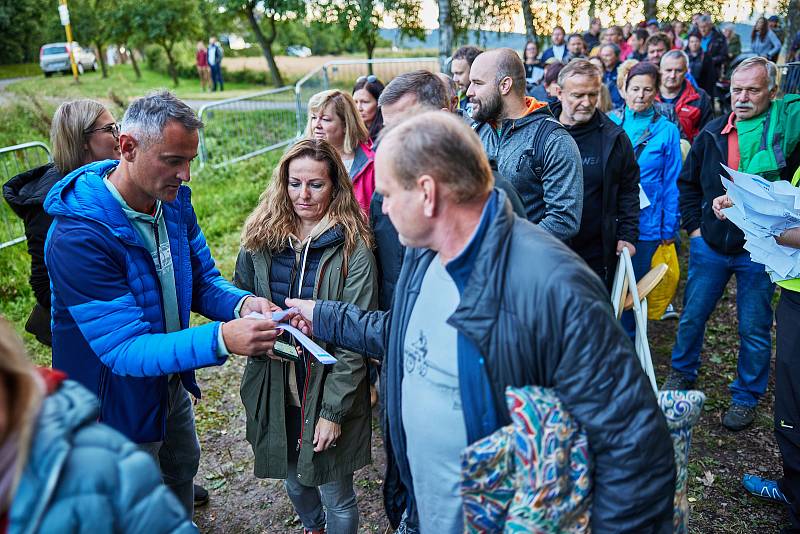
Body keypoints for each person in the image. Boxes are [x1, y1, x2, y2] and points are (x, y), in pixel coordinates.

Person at [283, 110, 676, 533]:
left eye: (389, 196)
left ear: (428, 195)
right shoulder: (427, 251)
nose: (383, 210)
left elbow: (635, 448)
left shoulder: (553, 285)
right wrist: (321, 315)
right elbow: (407, 334)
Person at [43, 91, 280, 516]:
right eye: (173, 160)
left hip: (167, 378)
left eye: (189, 160)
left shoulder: (171, 203)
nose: (186, 174)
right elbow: (124, 350)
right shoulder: (78, 237)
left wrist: (243, 305)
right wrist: (222, 338)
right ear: (128, 147)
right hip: (112, 403)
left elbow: (202, 280)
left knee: (181, 468)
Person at [234, 139, 377, 534]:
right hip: (275, 381)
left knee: (337, 494)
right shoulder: (261, 237)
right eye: (295, 183)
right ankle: (313, 527)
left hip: (327, 386)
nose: (303, 195)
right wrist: (252, 313)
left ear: (335, 187)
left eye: (316, 184)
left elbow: (356, 337)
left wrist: (333, 412)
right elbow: (239, 294)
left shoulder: (354, 248)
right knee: (292, 477)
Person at [664, 57, 800, 431]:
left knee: (754, 326)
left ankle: (745, 397)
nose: (742, 97)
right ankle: (681, 373)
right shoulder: (712, 134)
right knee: (693, 315)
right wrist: (694, 230)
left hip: (761, 252)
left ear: (772, 93)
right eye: (737, 89)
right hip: (711, 246)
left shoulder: (786, 138)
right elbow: (688, 185)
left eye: (752, 90)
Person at [0, 319, 197, 533]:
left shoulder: (97, 462)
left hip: (141, 388)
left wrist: (221, 336)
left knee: (180, 461)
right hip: (121, 388)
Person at [715, 189, 800, 532]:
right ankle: (793, 489)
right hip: (793, 291)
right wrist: (744, 202)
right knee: (790, 411)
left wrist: (764, 227)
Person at [2, 100, 120, 347]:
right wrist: (103, 299)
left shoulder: (109, 181)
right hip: (85, 333)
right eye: (110, 130)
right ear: (82, 141)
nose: (120, 136)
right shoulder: (48, 204)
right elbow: (44, 287)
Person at [469, 48, 583, 240]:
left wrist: (507, 246)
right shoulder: (476, 132)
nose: (469, 92)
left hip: (528, 264)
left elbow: (564, 220)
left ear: (505, 85)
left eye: (477, 83)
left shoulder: (553, 140)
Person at [607, 62, 681, 337]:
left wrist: (668, 229)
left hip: (647, 225)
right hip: (611, 220)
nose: (640, 95)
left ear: (656, 92)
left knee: (634, 294)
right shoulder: (610, 123)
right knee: (608, 288)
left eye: (647, 89)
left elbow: (672, 183)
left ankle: (632, 353)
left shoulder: (667, 131)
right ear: (624, 90)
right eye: (635, 89)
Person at [553, 59, 639, 288]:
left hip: (595, 251)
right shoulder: (540, 131)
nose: (587, 102)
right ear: (559, 93)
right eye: (578, 95)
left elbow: (629, 189)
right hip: (547, 248)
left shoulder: (614, 138)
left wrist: (628, 235)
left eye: (592, 95)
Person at [306, 90, 375, 216]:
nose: (316, 125)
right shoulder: (301, 159)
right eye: (314, 118)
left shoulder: (371, 165)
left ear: (346, 124)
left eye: (325, 119)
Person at [657, 49, 713, 143]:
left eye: (678, 70)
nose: (672, 75)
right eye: (668, 70)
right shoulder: (648, 95)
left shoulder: (700, 97)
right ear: (660, 70)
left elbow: (707, 133)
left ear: (686, 71)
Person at [352, 74, 385, 143]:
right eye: (355, 102)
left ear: (379, 103)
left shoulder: (387, 134)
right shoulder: (349, 131)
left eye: (365, 102)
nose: (358, 108)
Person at [450, 45, 482, 114]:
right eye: (453, 74)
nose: (454, 79)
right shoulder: (458, 96)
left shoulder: (488, 100)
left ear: (474, 71)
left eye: (459, 73)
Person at [696, 15, 728, 81]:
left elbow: (723, 56)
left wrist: (708, 61)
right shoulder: (695, 36)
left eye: (705, 27)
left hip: (712, 73)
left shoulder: (719, 38)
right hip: (696, 72)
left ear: (710, 25)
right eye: (700, 27)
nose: (702, 30)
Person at [686, 33, 717, 99]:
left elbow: (710, 76)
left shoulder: (706, 56)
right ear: (688, 43)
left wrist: (708, 93)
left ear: (700, 42)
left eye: (696, 41)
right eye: (692, 42)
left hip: (703, 88)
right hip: (687, 89)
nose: (694, 44)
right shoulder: (684, 56)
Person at [599, 43, 625, 108]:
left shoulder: (624, 70)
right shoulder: (600, 70)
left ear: (617, 56)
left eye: (607, 55)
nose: (604, 58)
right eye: (602, 56)